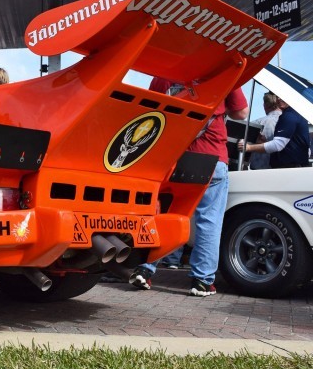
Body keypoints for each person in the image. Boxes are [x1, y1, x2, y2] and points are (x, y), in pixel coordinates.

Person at [130, 78, 248, 296]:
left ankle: (145, 269)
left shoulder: (164, 73)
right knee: (209, 221)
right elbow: (241, 113)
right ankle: (202, 281)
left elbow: (148, 107)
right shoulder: (225, 69)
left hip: (172, 157)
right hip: (211, 156)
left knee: (163, 214)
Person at [239, 94, 311, 168]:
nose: (279, 98)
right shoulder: (298, 115)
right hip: (294, 168)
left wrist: (248, 147)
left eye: (283, 95)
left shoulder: (289, 116)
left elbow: (278, 145)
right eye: (277, 96)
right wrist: (266, 142)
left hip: (288, 169)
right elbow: (307, 151)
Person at [248, 93, 283, 170]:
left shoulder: (255, 123)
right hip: (284, 169)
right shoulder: (291, 122)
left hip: (258, 170)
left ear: (265, 105)